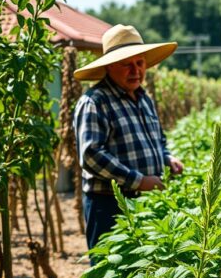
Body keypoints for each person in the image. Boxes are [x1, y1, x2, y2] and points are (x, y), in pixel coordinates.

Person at [74, 24, 184, 252]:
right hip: (109, 204)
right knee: (111, 275)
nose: (135, 70)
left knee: (141, 272)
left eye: (139, 63)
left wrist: (167, 158)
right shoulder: (95, 101)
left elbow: (158, 140)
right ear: (109, 67)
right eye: (127, 64)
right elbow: (91, 154)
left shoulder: (144, 98)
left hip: (146, 201)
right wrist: (139, 181)